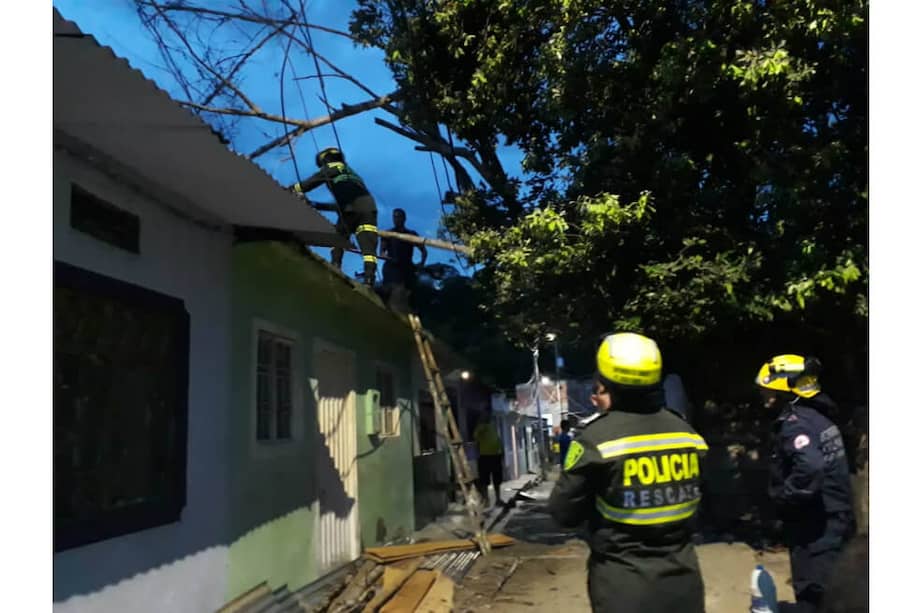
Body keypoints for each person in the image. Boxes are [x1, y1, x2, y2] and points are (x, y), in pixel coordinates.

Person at [548, 332, 708, 613]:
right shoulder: (687, 434)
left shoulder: (595, 440)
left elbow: (563, 513)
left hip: (622, 587)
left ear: (606, 381)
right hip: (685, 584)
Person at [755, 355, 854, 613]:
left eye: (766, 389)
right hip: (833, 515)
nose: (763, 395)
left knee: (814, 591)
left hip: (816, 524)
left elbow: (810, 467)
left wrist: (786, 499)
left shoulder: (795, 424)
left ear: (783, 389)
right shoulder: (818, 415)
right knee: (834, 587)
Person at [291, 147, 378, 286]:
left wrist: (291, 190)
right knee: (368, 245)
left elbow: (311, 182)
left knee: (338, 237)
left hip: (349, 208)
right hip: (369, 208)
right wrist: (314, 204)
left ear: (326, 159)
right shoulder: (354, 176)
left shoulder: (332, 168)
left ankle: (335, 269)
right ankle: (369, 278)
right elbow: (341, 205)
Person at [380, 208, 427, 290]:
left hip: (407, 270)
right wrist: (387, 258)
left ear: (404, 218)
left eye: (399, 217)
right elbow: (382, 252)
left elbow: (424, 251)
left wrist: (421, 264)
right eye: (394, 217)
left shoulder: (411, 234)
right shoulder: (387, 234)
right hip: (392, 269)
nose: (396, 219)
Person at [473, 408, 504, 507]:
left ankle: (498, 499)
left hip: (495, 455)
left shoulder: (493, 426)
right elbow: (475, 437)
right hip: (485, 456)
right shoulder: (480, 427)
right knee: (484, 480)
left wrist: (501, 452)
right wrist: (481, 426)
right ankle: (487, 500)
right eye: (485, 416)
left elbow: (498, 440)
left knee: (497, 480)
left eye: (487, 416)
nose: (487, 417)